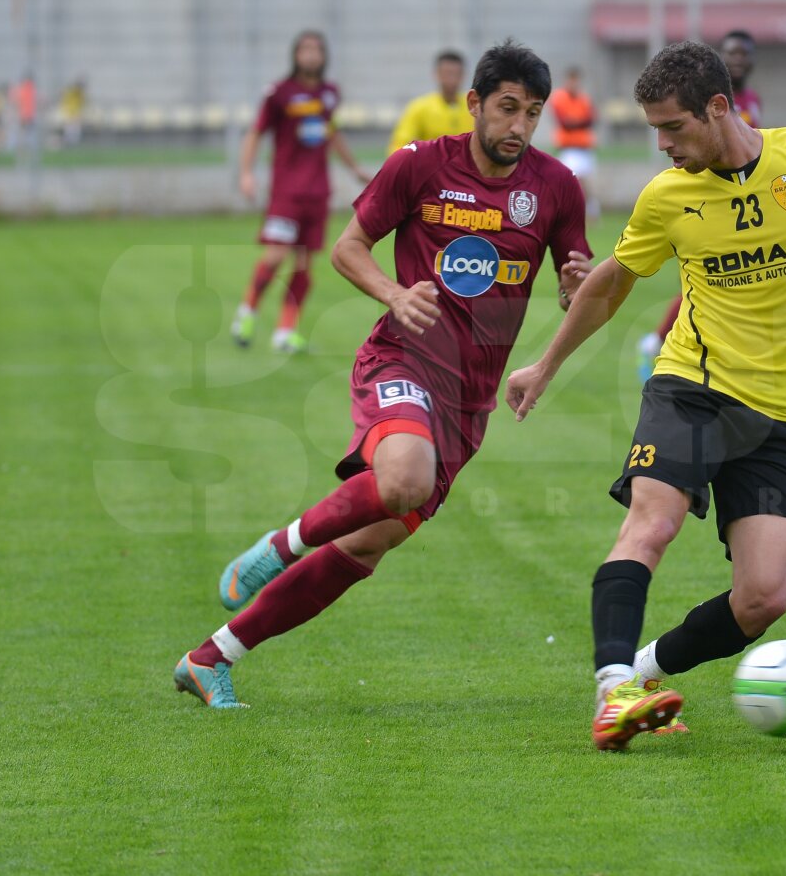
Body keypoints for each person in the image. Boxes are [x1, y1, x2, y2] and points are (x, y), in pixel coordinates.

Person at [506, 41, 786, 751]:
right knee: (651, 525)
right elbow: (610, 284)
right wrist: (545, 363)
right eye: (654, 130)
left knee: (762, 597)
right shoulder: (667, 197)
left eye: (673, 128)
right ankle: (610, 690)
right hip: (693, 388)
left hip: (779, 415)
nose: (663, 146)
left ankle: (643, 675)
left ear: (719, 108)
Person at [174, 41, 591, 709]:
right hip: (402, 357)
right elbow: (347, 249)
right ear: (475, 105)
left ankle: (211, 656)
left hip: (469, 401)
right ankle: (281, 544)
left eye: (533, 114)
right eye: (508, 108)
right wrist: (395, 295)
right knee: (402, 479)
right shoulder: (419, 166)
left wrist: (576, 286)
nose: (519, 126)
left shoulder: (555, 186)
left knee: (368, 544)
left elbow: (580, 285)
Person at [231, 30, 371, 354]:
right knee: (277, 255)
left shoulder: (329, 93)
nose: (311, 55)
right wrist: (247, 173)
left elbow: (331, 131)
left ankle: (285, 331)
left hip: (317, 192)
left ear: (324, 56)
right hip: (286, 192)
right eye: (305, 49)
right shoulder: (279, 93)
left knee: (304, 264)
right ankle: (247, 311)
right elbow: (255, 133)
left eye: (316, 49)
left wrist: (353, 167)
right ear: (295, 54)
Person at [637, 29, 764, 380]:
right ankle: (660, 341)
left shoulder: (751, 99)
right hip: (708, 198)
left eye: (744, 53)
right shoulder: (701, 96)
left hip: (742, 199)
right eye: (732, 53)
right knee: (707, 278)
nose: (739, 59)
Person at [387, 50, 474, 154]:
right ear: (436, 74)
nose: (451, 79)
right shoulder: (419, 107)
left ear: (463, 75)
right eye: (447, 73)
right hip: (432, 167)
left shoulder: (474, 107)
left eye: (456, 74)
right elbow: (399, 145)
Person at [549, 66, 599, 221]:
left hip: (584, 146)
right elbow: (564, 122)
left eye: (576, 80)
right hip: (569, 148)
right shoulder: (559, 98)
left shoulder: (584, 99)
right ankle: (573, 213)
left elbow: (591, 120)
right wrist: (579, 122)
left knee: (586, 184)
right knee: (574, 181)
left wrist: (575, 122)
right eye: (571, 80)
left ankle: (591, 213)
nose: (574, 84)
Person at [58, 77, 87, 147]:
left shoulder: (80, 93)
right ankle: (68, 143)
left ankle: (73, 143)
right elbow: (64, 101)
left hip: (76, 113)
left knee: (76, 130)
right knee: (70, 130)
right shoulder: (71, 92)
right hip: (69, 113)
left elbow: (83, 103)